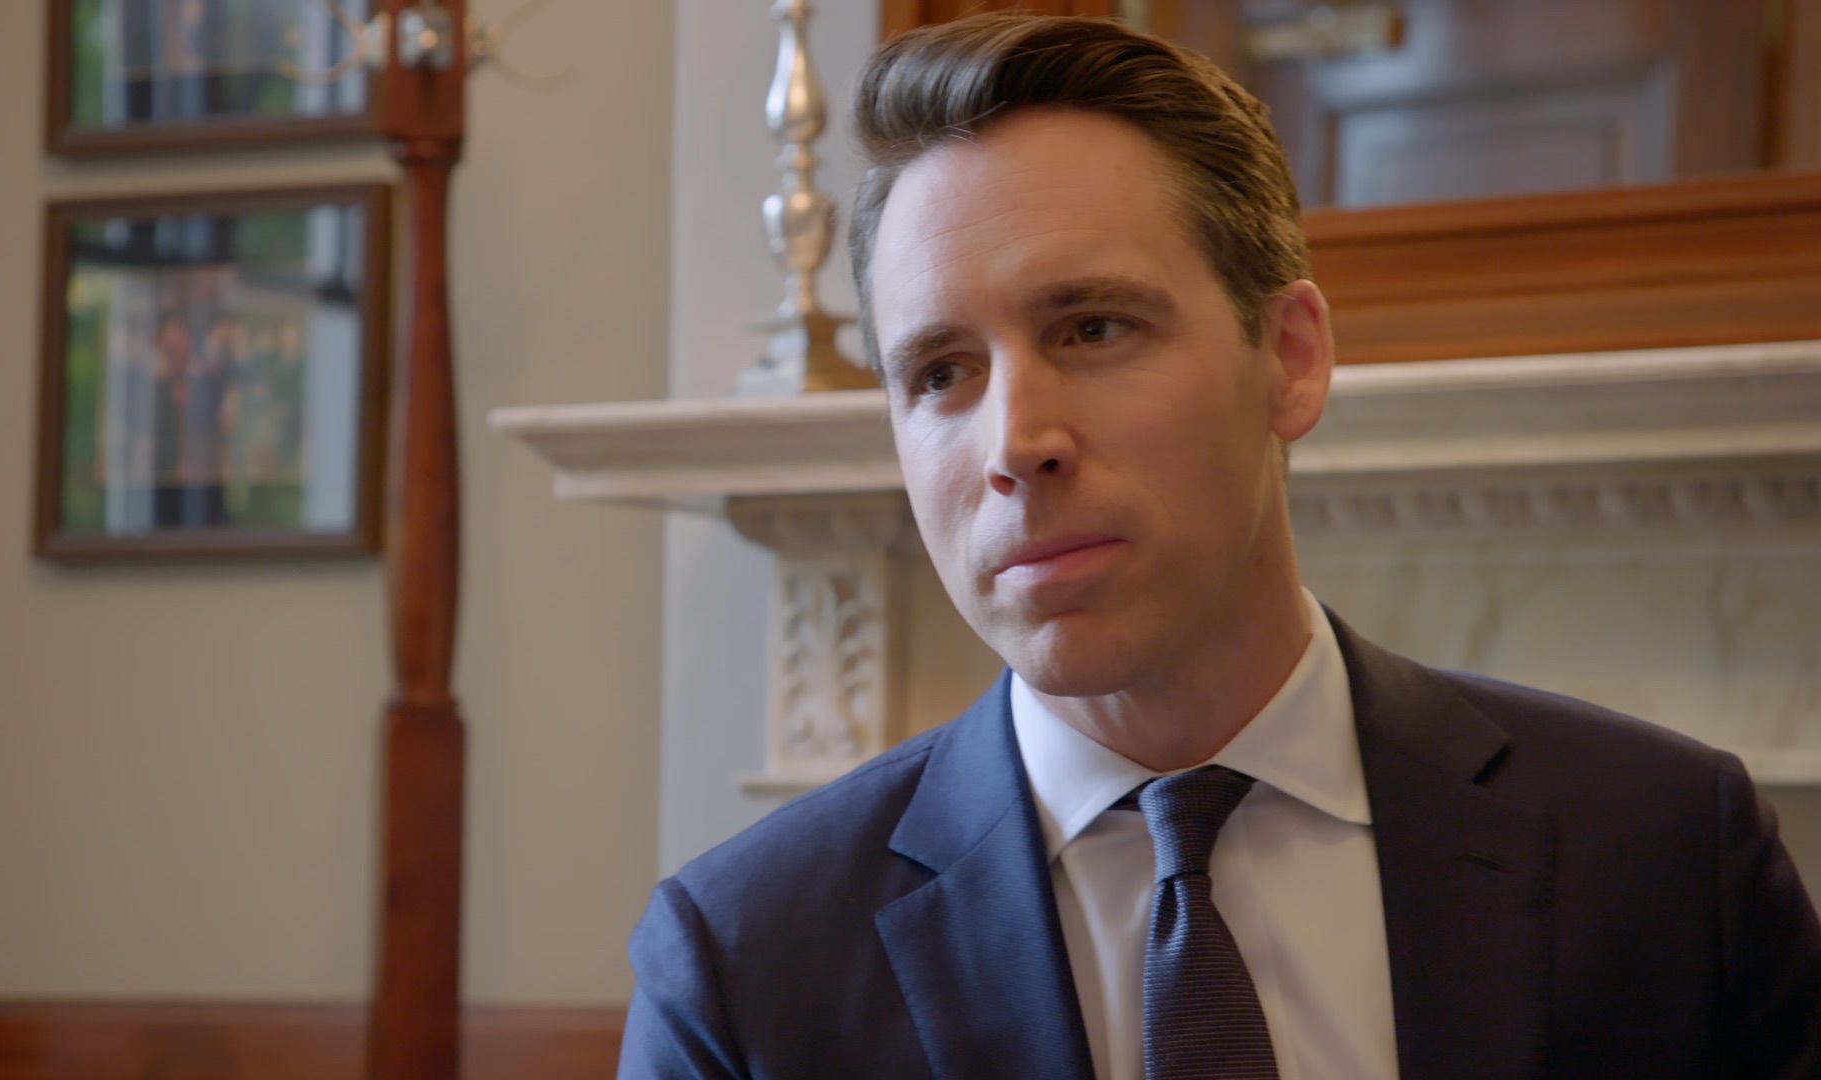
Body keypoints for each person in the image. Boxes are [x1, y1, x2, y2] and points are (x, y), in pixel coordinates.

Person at [619, 15, 1821, 1079]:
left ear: (1290, 357)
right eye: (941, 373)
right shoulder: (745, 962)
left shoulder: (1668, 856)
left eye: (1093, 328)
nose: (1016, 443)